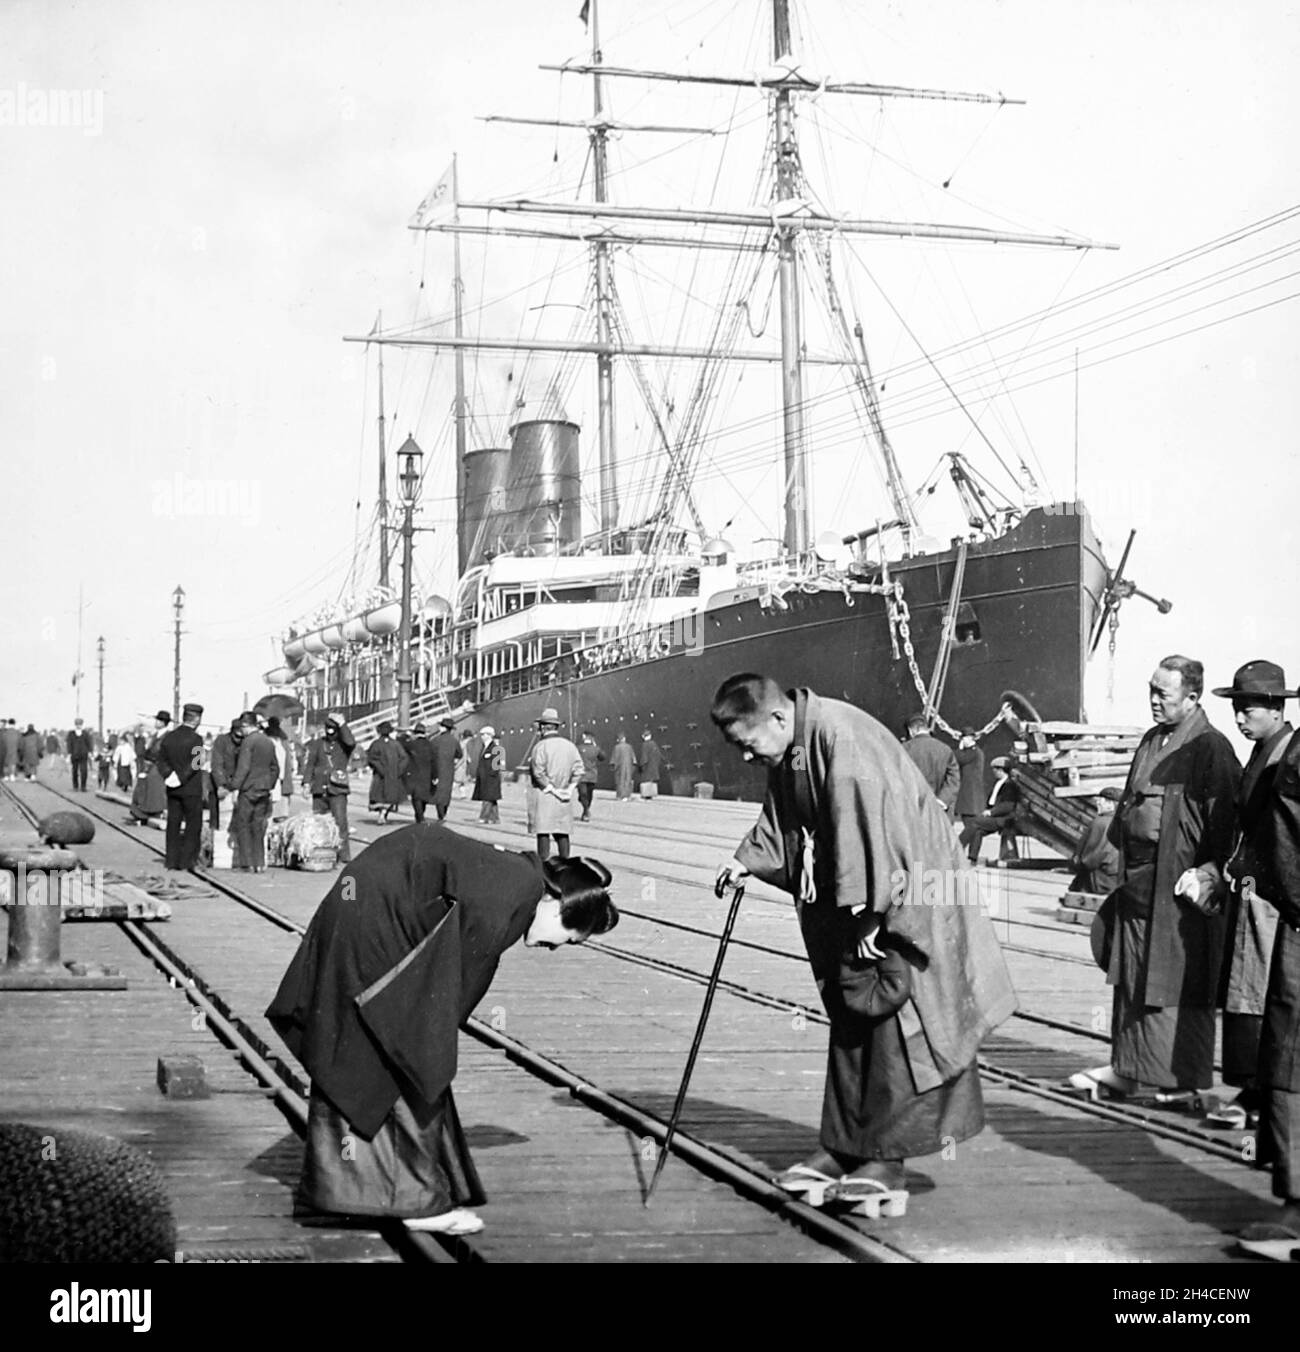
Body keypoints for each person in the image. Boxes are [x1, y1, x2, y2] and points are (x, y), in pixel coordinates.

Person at [711, 675, 1015, 1212]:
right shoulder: (795, 746)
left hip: (904, 894)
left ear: (778, 719)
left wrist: (877, 913)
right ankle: (846, 1145)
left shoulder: (841, 739)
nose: (745, 757)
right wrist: (745, 860)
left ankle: (885, 1156)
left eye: (746, 743)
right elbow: (784, 817)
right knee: (853, 1012)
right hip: (858, 900)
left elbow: (878, 831)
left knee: (897, 1022)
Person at [265, 827, 618, 1235]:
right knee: (402, 1052)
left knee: (372, 1046)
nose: (554, 948)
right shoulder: (510, 899)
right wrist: (428, 1048)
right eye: (569, 940)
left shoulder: (521, 880)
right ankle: (415, 1202)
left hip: (369, 909)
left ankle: (353, 1189)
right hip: (377, 923)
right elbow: (441, 1005)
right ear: (558, 907)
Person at [1071, 655, 1240, 1102]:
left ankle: (1180, 1081)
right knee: (1131, 979)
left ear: (1192, 697)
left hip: (1178, 890)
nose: (1153, 700)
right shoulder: (1151, 740)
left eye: (1163, 693)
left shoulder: (1211, 747)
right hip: (1138, 883)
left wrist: (1210, 876)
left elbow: (1226, 826)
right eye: (1151, 689)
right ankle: (1128, 1069)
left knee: (1176, 984)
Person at [1202, 661, 1295, 1130]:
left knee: (1257, 989)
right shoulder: (1265, 751)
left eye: (1249, 709)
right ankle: (1253, 1085)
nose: (1240, 719)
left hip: (1272, 895)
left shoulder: (1284, 758)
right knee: (1244, 986)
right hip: (1251, 888)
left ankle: (1260, 1091)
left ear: (1277, 708)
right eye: (1236, 709)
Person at [1230, 672, 1300, 1256]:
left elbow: (1284, 842)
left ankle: (1298, 1207)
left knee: (1289, 1056)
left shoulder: (1293, 762)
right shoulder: (1278, 755)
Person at [156, 703, 206, 871]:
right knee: (193, 825)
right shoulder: (197, 739)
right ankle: (187, 861)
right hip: (191, 788)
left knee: (173, 823)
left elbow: (160, 760)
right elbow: (197, 763)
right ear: (197, 719)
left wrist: (169, 775)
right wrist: (181, 777)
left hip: (172, 788)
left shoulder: (169, 737)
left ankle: (171, 860)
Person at [528, 708, 583, 860]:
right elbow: (579, 769)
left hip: (545, 795)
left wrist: (552, 789)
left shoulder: (540, 747)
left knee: (543, 831)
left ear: (543, 727)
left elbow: (538, 773)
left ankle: (543, 866)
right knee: (562, 832)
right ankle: (566, 865)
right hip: (564, 795)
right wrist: (570, 789)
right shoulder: (570, 746)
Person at [302, 713, 356, 864]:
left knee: (340, 823)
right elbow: (310, 764)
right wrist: (307, 783)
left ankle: (343, 856)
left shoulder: (343, 745)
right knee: (319, 823)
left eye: (333, 729)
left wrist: (343, 723)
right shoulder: (318, 744)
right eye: (328, 728)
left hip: (337, 789)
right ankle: (322, 854)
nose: (330, 732)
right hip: (319, 789)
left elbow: (351, 742)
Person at [231, 711, 280, 873]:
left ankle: (247, 863)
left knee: (243, 825)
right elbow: (275, 768)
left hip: (248, 789)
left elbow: (243, 767)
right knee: (259, 826)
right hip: (264, 790)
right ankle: (259, 862)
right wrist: (269, 784)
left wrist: (234, 786)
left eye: (242, 727)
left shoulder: (248, 742)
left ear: (246, 726)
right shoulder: (268, 741)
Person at [957, 758, 1022, 863]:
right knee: (978, 831)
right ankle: (972, 858)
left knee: (974, 822)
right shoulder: (998, 783)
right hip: (994, 817)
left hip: (1003, 819)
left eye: (995, 769)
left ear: (1001, 770)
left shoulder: (1010, 785)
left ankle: (955, 850)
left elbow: (1008, 806)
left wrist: (991, 812)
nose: (993, 772)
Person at [902, 714, 960, 817]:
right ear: (927, 728)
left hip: (911, 810)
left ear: (911, 730)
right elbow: (954, 779)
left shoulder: (904, 749)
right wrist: (942, 801)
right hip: (939, 813)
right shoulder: (945, 749)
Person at [1068, 791, 1121, 896]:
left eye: (1101, 801)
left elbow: (1088, 858)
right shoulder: (1123, 822)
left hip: (1099, 880)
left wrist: (1075, 864)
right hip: (1116, 879)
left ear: (1111, 805)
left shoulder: (1100, 823)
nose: (1098, 803)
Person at [129, 712, 171, 821]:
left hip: (159, 765)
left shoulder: (167, 736)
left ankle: (154, 811)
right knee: (143, 784)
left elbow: (161, 752)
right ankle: (142, 810)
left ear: (163, 723)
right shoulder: (155, 735)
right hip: (150, 764)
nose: (156, 722)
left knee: (154, 786)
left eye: (159, 720)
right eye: (157, 720)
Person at [366, 722, 409, 825]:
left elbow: (371, 759)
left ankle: (381, 814)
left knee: (379, 796)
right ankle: (384, 814)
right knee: (390, 797)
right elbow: (404, 758)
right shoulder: (396, 744)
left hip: (380, 775)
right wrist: (399, 770)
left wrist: (379, 768)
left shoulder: (376, 744)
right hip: (393, 776)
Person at [429, 718, 462, 823]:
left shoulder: (435, 740)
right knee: (447, 793)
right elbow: (459, 754)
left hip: (437, 769)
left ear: (443, 728)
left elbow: (430, 755)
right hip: (449, 770)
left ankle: (440, 814)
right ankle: (444, 813)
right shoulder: (454, 741)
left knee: (438, 792)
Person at [401, 723, 436, 824]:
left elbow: (401, 746)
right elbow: (434, 761)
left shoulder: (411, 744)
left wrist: (405, 735)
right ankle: (420, 815)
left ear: (415, 733)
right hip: (427, 774)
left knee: (416, 797)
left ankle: (419, 816)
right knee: (424, 796)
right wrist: (435, 775)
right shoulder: (430, 744)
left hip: (414, 774)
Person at [954, 728, 985, 839]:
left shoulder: (973, 752)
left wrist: (960, 749)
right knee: (972, 827)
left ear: (968, 738)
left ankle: (961, 847)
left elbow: (959, 759)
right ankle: (972, 854)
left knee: (971, 826)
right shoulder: (975, 751)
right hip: (970, 796)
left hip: (970, 797)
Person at [265, 717, 296, 820]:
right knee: (280, 815)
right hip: (282, 780)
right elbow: (289, 761)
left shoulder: (267, 739)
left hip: (273, 780)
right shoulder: (283, 739)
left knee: (270, 815)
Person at [473, 726, 504, 823]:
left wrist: (490, 776)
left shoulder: (495, 748)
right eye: (482, 734)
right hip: (485, 777)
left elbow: (496, 766)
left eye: (484, 734)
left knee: (487, 798)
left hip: (490, 778)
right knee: (491, 799)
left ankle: (484, 817)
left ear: (489, 735)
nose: (482, 736)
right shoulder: (484, 747)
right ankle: (495, 818)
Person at [576, 730, 606, 822]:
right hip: (591, 775)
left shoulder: (579, 748)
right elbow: (603, 757)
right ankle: (586, 811)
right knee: (588, 795)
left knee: (584, 794)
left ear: (584, 737)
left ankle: (585, 810)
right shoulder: (596, 748)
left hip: (582, 775)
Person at [66, 718, 94, 792]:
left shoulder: (85, 733)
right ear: (75, 725)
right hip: (74, 755)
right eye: (77, 724)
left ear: (82, 725)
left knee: (84, 771)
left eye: (80, 724)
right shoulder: (71, 734)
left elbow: (89, 743)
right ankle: (75, 786)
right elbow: (69, 744)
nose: (79, 726)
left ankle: (83, 786)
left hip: (83, 755)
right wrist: (69, 754)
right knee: (74, 771)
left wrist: (90, 752)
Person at [636, 730, 662, 799]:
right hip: (654, 766)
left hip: (647, 767)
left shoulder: (645, 745)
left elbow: (644, 758)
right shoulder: (654, 744)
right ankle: (651, 794)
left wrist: (641, 765)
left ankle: (646, 795)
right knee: (651, 780)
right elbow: (659, 756)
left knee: (646, 780)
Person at [611, 731, 635, 802]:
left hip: (619, 767)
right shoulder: (629, 747)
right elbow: (633, 759)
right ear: (624, 739)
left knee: (619, 781)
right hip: (628, 767)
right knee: (627, 781)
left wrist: (613, 767)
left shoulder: (616, 747)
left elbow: (613, 760)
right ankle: (627, 795)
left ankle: (620, 796)